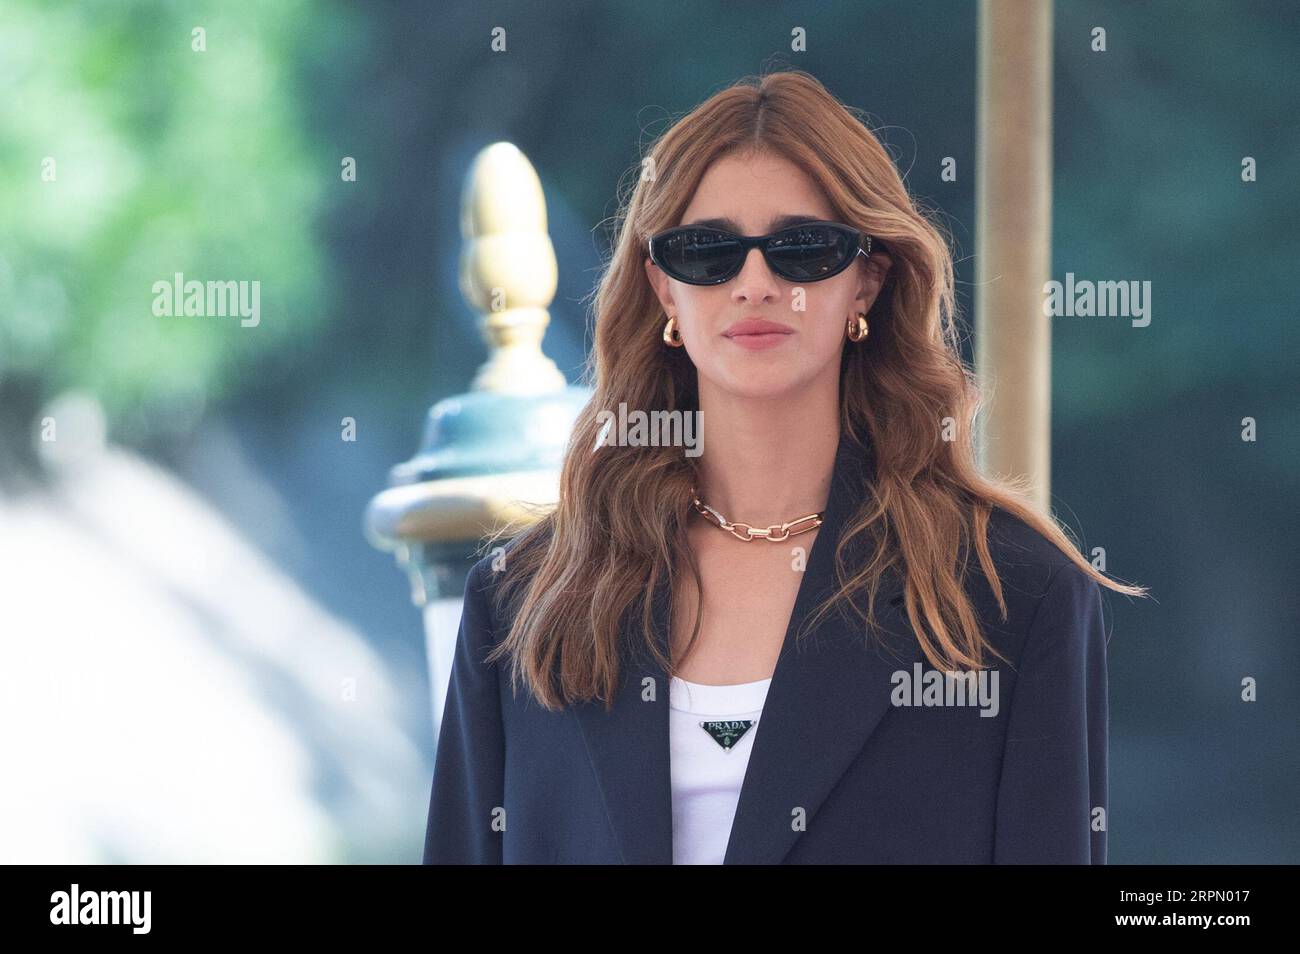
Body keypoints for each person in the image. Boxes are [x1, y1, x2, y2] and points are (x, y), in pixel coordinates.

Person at [422, 69, 1146, 865]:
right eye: (708, 252)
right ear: (663, 286)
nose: (756, 284)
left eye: (803, 249)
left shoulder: (1015, 597)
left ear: (867, 278)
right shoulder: (521, 603)